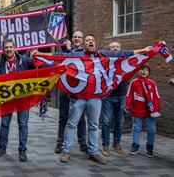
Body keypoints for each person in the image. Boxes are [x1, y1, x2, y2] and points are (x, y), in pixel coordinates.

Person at [34, 34, 153, 165]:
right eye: (88, 40)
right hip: (78, 98)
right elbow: (58, 58)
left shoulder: (102, 55)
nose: (90, 42)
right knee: (71, 124)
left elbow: (124, 54)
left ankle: (93, 152)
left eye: (92, 40)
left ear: (95, 43)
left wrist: (143, 50)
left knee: (94, 125)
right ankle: (66, 151)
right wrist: (39, 54)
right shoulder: (77, 55)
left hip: (95, 99)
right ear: (84, 44)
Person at [0, 38, 35, 162]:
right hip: (7, 99)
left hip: (22, 98)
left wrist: (37, 56)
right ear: (3, 50)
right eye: (6, 47)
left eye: (10, 47)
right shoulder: (0, 65)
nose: (8, 49)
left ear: (15, 48)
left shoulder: (24, 60)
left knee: (23, 124)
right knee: (5, 123)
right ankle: (2, 147)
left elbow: (38, 66)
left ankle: (22, 150)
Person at [55, 31, 88, 154]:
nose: (77, 39)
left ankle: (82, 143)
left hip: (79, 90)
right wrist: (67, 50)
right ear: (72, 39)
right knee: (63, 116)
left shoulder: (85, 53)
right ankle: (60, 143)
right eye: (75, 37)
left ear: (82, 39)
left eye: (79, 37)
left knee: (80, 118)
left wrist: (69, 50)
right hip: (65, 88)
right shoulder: (65, 52)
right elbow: (61, 60)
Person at [125, 64, 160, 157]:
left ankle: (149, 146)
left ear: (149, 72)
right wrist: (127, 106)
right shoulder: (134, 82)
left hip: (150, 111)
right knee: (136, 128)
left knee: (152, 129)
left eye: (145, 70)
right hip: (138, 109)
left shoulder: (152, 83)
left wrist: (155, 110)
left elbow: (156, 97)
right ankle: (135, 145)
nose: (143, 71)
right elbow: (129, 95)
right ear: (138, 71)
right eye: (141, 69)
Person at [100, 42, 127, 156]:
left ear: (120, 49)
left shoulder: (125, 61)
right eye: (112, 47)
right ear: (109, 50)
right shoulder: (104, 62)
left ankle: (116, 144)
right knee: (106, 121)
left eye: (117, 46)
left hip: (121, 95)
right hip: (108, 96)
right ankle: (105, 145)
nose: (115, 48)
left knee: (119, 122)